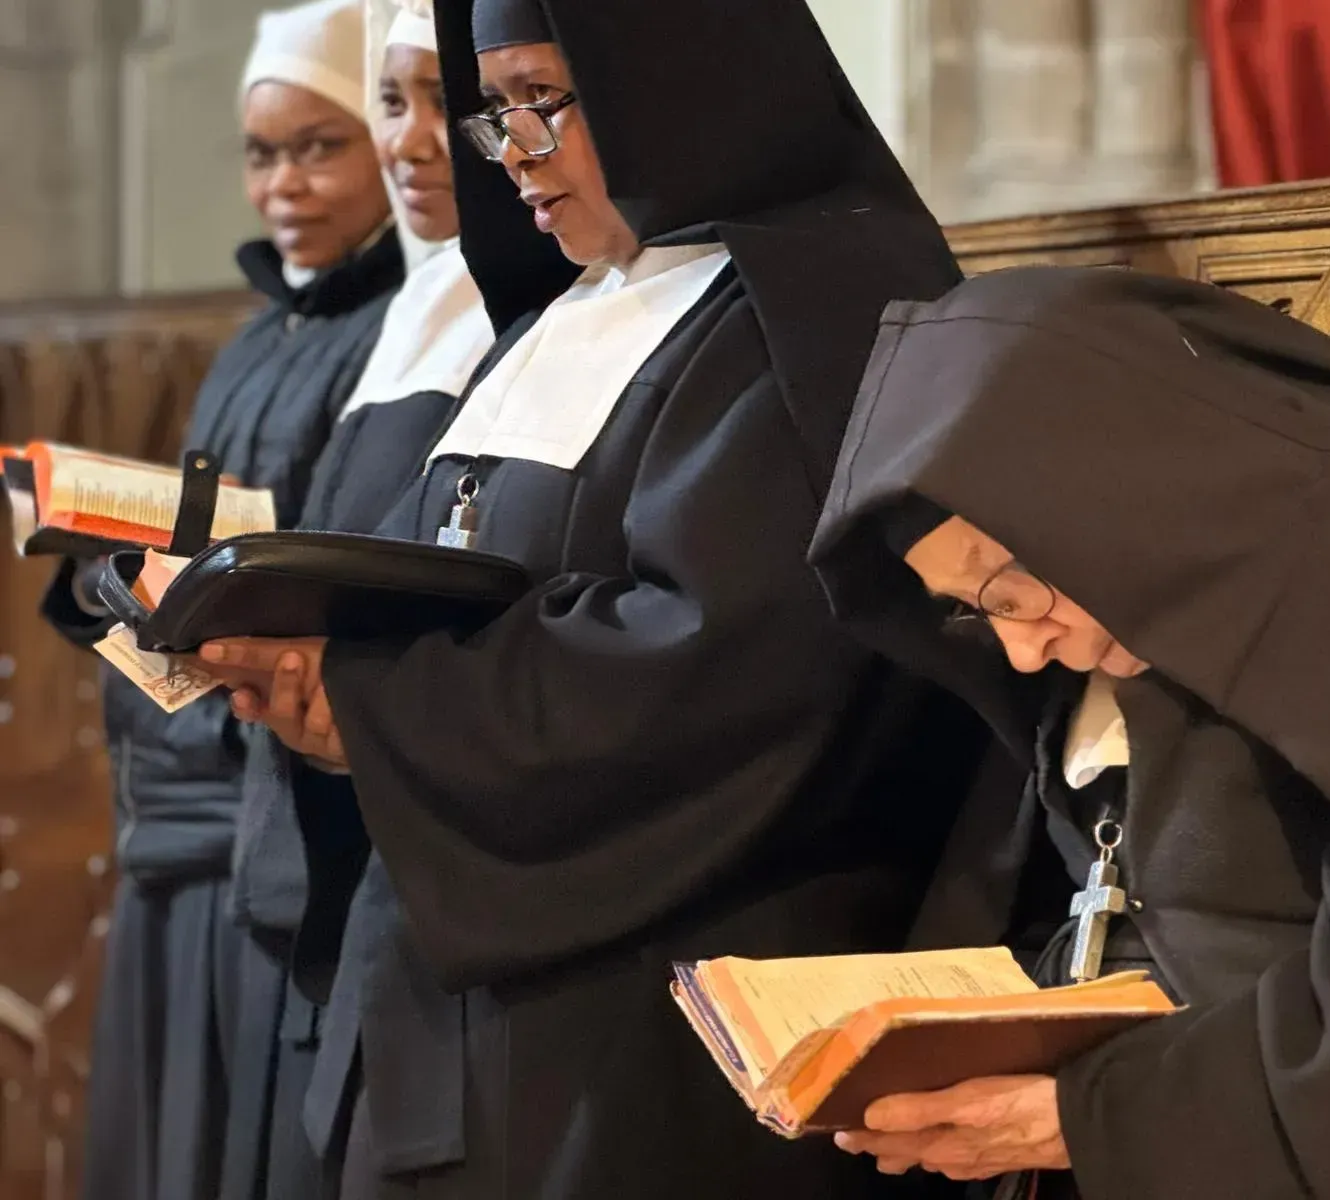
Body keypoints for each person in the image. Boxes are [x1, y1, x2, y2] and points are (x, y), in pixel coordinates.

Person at [197, 0, 987, 1197]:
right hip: (466, 997)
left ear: (674, 78)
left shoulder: (810, 308)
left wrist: (373, 708)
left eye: (545, 103)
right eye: (496, 111)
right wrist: (314, 665)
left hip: (647, 1037)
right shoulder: (565, 313)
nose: (512, 155)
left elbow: (728, 668)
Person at [807, 266, 1330, 1198]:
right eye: (978, 614)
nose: (1022, 654)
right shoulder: (1145, 585)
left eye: (1014, 597)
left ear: (1096, 497)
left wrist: (1088, 1116)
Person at [39, 4, 403, 1199]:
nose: (284, 184)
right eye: (262, 153)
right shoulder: (254, 336)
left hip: (258, 809)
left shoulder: (407, 330)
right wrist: (101, 560)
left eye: (321, 145)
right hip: (167, 811)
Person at [219, 4, 508, 1198]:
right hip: (307, 835)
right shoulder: (415, 313)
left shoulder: (518, 314)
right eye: (392, 102)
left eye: (456, 102)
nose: (414, 141)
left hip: (433, 891)